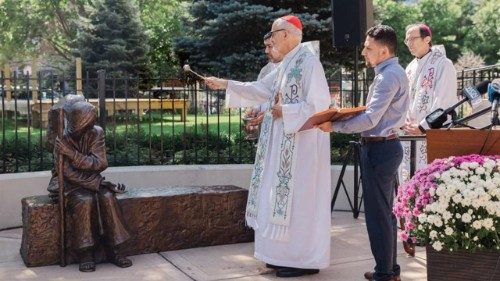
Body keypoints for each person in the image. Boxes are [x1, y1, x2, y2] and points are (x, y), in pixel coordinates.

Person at [205, 15, 331, 278]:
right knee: (277, 201)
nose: (271, 40)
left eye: (273, 34)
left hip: (302, 151)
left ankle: (303, 260)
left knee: (298, 204)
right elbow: (261, 89)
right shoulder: (286, 63)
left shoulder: (308, 61)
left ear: (286, 34)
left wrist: (284, 110)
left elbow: (319, 107)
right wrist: (225, 83)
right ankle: (281, 256)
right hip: (283, 147)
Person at [318, 25, 409, 281]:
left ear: (383, 50)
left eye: (368, 48)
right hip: (384, 147)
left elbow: (370, 119)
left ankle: (384, 272)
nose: (364, 53)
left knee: (379, 216)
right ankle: (389, 270)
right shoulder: (390, 72)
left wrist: (333, 125)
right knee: (385, 213)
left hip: (381, 148)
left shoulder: (388, 75)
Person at [48, 99, 132, 272]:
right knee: (84, 200)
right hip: (70, 184)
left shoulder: (96, 133)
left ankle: (114, 249)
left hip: (92, 180)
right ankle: (85, 252)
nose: (88, 130)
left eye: (90, 125)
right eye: (84, 126)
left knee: (108, 196)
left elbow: (100, 163)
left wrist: (72, 154)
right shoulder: (61, 138)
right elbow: (66, 173)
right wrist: (97, 180)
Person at [400, 23, 458, 182]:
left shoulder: (443, 64)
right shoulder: (410, 67)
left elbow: (444, 101)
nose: (409, 43)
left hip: (430, 133)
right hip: (410, 134)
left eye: (413, 38)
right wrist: (403, 120)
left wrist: (423, 126)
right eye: (406, 40)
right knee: (409, 181)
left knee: (429, 183)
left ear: (427, 39)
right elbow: (406, 98)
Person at [243, 31, 283, 136]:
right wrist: (254, 110)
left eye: (269, 46)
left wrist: (267, 114)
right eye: (265, 46)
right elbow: (259, 93)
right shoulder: (265, 70)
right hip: (264, 131)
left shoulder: (290, 68)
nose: (266, 51)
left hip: (281, 129)